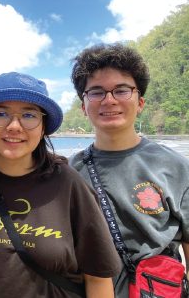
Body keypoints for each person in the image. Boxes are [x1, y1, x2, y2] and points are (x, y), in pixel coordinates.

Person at [0, 72, 121, 297]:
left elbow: (98, 277)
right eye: (0, 114)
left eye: (29, 115)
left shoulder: (68, 184)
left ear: (43, 127)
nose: (14, 126)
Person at [68, 43, 189, 297]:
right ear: (83, 106)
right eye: (96, 92)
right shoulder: (69, 172)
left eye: (121, 90)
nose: (109, 100)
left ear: (140, 102)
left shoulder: (176, 168)